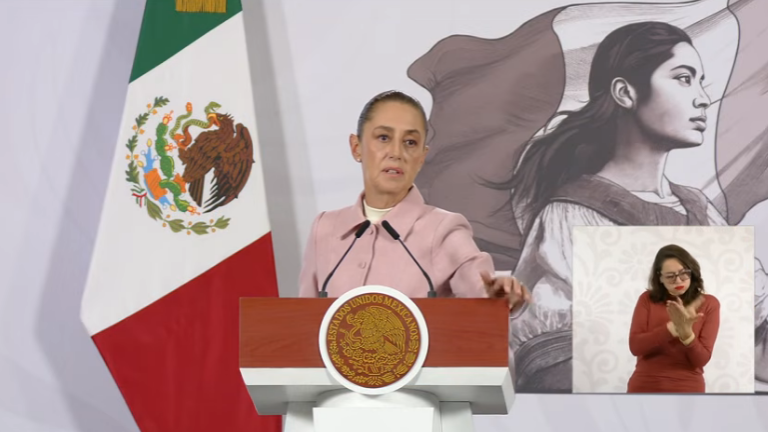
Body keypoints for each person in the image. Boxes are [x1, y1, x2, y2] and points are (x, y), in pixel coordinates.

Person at [298, 90, 530, 309]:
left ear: (421, 157)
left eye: (410, 142)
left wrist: (498, 295)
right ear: (356, 147)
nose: (396, 152)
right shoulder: (324, 228)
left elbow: (482, 292)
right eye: (383, 137)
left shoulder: (443, 230)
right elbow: (302, 320)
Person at [626, 244, 720, 393]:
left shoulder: (709, 303)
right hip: (644, 387)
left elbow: (701, 360)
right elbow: (635, 347)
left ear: (692, 272)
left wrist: (686, 334)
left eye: (684, 273)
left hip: (688, 390)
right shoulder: (647, 299)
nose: (678, 281)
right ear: (660, 278)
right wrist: (672, 329)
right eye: (670, 276)